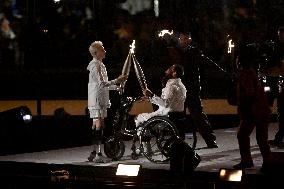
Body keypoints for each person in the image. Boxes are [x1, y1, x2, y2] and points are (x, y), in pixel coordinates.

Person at [87, 41, 127, 163]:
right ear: (95, 52)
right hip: (97, 99)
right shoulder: (95, 65)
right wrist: (117, 80)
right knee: (98, 125)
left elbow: (105, 84)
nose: (105, 51)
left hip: (101, 98)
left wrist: (117, 87)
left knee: (99, 125)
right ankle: (97, 154)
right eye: (102, 49)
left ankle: (94, 152)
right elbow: (101, 84)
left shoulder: (100, 65)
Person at [177, 30, 218, 148]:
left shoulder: (194, 52)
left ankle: (210, 140)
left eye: (184, 38)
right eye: (181, 38)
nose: (182, 41)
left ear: (189, 40)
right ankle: (179, 142)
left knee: (198, 116)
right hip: (179, 90)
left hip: (191, 89)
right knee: (179, 117)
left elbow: (198, 68)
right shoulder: (176, 53)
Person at [233, 50, 271, 169]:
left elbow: (250, 93)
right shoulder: (252, 72)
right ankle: (268, 162)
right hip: (262, 110)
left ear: (239, 62)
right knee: (262, 138)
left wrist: (244, 109)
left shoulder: (245, 75)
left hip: (253, 111)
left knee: (242, 135)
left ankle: (246, 160)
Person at [135, 64, 187, 139]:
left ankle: (145, 147)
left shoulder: (172, 86)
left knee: (138, 118)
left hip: (167, 115)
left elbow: (165, 104)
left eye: (169, 69)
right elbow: (167, 102)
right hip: (175, 113)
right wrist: (150, 98)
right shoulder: (181, 85)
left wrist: (152, 95)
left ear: (174, 73)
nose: (166, 71)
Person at [268, 26, 284, 147]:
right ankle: (279, 137)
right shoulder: (278, 48)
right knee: (281, 111)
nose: (280, 37)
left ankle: (279, 137)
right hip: (282, 83)